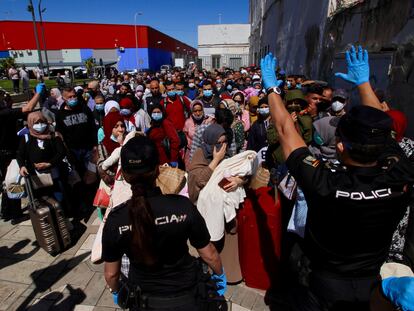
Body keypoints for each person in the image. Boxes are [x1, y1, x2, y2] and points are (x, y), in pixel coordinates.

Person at [260, 46, 414, 309]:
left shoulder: (325, 183)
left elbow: (286, 129)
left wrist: (273, 90)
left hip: (322, 286)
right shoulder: (400, 173)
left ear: (340, 146)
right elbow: (384, 131)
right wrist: (365, 84)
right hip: (370, 283)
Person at [102, 135, 226, 310]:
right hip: (187, 297)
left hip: (144, 300)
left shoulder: (116, 219)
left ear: (124, 175)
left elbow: (111, 274)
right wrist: (219, 276)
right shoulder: (182, 206)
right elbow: (209, 254)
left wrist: (117, 293)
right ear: (158, 169)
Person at [0, 84, 44, 223]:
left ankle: (6, 211)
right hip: (8, 153)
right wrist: (38, 94)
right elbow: (28, 109)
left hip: (2, 152)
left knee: (6, 181)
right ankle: (15, 214)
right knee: (15, 180)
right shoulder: (4, 113)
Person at [17, 111, 66, 202]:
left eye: (42, 122)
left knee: (59, 199)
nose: (40, 125)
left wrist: (49, 163)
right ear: (30, 124)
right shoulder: (26, 138)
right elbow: (20, 155)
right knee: (41, 201)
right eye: (36, 123)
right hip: (35, 176)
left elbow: (61, 152)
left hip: (54, 174)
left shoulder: (54, 136)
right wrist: (22, 166)